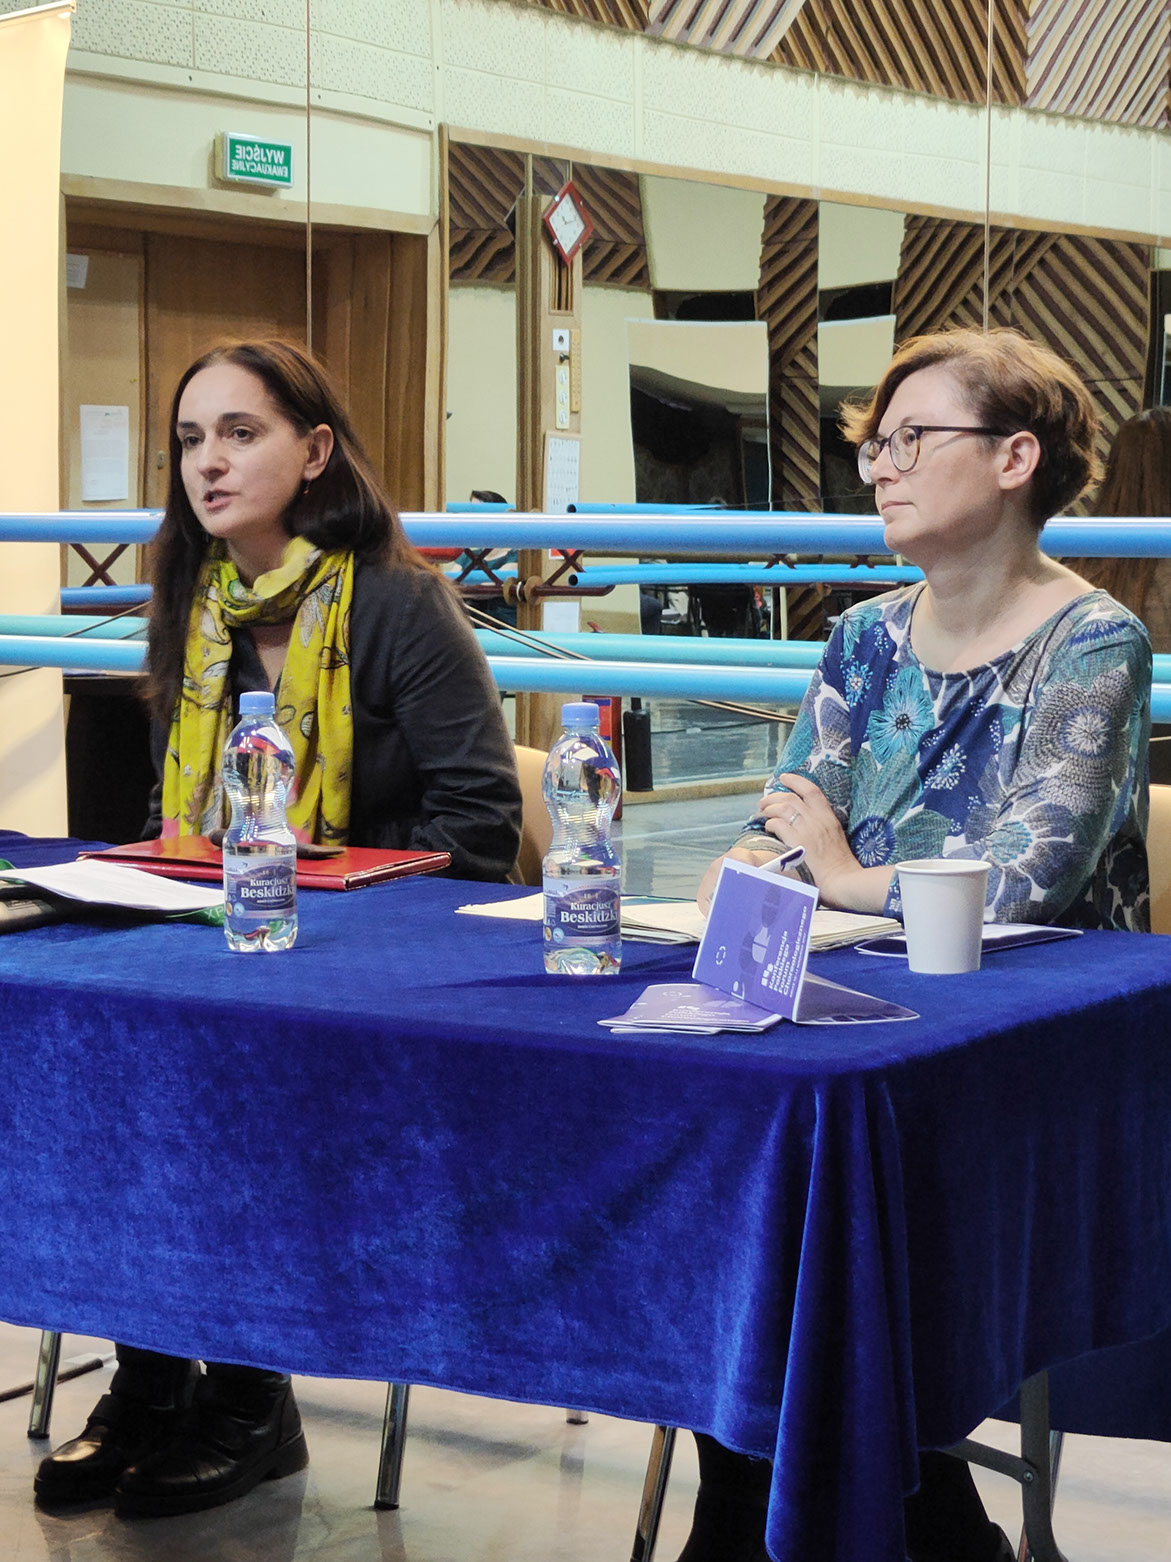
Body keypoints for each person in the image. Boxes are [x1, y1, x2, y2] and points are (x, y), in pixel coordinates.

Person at [34, 339, 523, 1519]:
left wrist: (313, 878)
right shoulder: (193, 603)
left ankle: (253, 1398)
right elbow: (181, 811)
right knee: (109, 1055)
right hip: (222, 934)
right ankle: (152, 1380)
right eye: (189, 439)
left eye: (239, 432)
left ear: (314, 452)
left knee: (222, 1078)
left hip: (369, 957)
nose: (207, 461)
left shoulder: (398, 601)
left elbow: (483, 825)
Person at [689, 327, 1151, 1562]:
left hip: (1024, 1045)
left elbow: (1028, 874)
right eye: (872, 445)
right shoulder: (861, 637)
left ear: (1014, 456)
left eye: (909, 438)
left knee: (809, 1197)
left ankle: (831, 1526)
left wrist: (843, 872)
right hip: (857, 1017)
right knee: (731, 1169)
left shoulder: (1093, 641)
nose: (878, 467)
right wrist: (761, 862)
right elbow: (780, 824)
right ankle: (857, 1522)